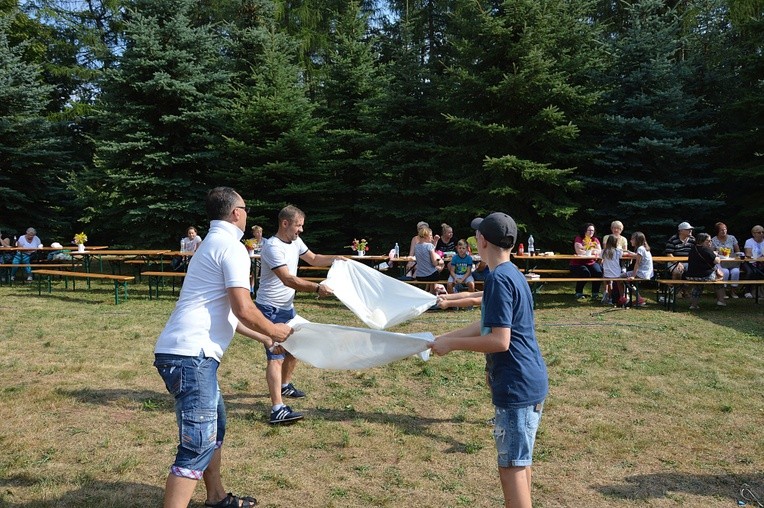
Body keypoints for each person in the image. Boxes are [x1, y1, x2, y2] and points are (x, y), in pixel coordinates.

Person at [153, 186, 292, 508]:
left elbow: (227, 313)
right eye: (245, 208)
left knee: (215, 431)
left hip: (189, 355)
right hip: (191, 357)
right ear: (236, 213)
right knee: (197, 445)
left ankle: (216, 498)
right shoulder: (231, 247)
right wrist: (275, 329)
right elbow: (244, 307)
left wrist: (265, 337)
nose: (246, 213)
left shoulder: (211, 244)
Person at [430, 212, 548, 508]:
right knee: (520, 464)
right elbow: (487, 325)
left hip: (516, 385)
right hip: (528, 381)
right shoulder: (512, 273)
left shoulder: (497, 278)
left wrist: (451, 345)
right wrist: (443, 338)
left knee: (511, 468)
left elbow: (499, 340)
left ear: (481, 241)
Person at [256, 205, 344, 424]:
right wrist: (317, 288)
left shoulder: (295, 241)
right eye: (298, 225)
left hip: (287, 308)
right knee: (276, 356)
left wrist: (338, 259)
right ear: (285, 223)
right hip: (269, 310)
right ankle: (277, 409)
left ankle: (285, 386)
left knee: (294, 348)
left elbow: (314, 259)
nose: (301, 230)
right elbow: (288, 279)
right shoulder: (271, 247)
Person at [685, 232, 726, 309]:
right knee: (720, 281)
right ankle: (721, 301)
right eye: (708, 241)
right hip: (704, 276)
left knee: (698, 285)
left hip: (690, 276)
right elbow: (717, 261)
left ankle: (693, 305)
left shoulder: (693, 249)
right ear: (701, 241)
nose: (710, 242)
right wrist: (717, 255)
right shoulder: (706, 250)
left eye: (710, 241)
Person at [569, 223, 603, 300]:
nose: (591, 232)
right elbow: (578, 252)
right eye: (589, 230)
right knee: (585, 273)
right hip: (578, 263)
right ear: (585, 231)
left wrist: (585, 249)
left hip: (591, 262)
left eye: (593, 230)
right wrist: (592, 250)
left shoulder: (595, 240)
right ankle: (579, 292)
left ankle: (595, 293)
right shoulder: (579, 238)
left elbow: (599, 251)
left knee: (598, 272)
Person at [618, 231, 653, 307]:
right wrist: (631, 253)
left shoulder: (640, 249)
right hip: (647, 273)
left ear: (637, 240)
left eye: (632, 239)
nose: (630, 241)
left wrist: (633, 276)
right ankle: (638, 298)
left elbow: (637, 263)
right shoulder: (645, 248)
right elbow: (638, 256)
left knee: (620, 277)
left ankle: (624, 298)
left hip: (641, 273)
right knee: (627, 281)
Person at [711, 222, 741, 298]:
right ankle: (723, 292)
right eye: (721, 230)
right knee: (725, 272)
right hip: (720, 262)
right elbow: (711, 253)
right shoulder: (713, 240)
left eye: (725, 229)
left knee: (736, 272)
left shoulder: (732, 238)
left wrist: (737, 257)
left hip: (732, 261)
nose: (724, 231)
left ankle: (733, 291)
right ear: (717, 231)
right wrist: (717, 252)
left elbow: (737, 251)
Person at [414, 226, 445, 293]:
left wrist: (435, 241)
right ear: (426, 236)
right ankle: (432, 291)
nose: (431, 237)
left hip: (419, 276)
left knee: (431, 269)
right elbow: (434, 263)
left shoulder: (416, 246)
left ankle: (431, 291)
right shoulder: (429, 246)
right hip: (430, 276)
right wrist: (440, 261)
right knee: (440, 266)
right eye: (430, 235)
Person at [741, 225, 764, 299]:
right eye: (759, 232)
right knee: (750, 272)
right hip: (749, 262)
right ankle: (747, 291)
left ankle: (759, 292)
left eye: (763, 232)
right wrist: (760, 257)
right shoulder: (749, 241)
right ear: (753, 234)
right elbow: (748, 254)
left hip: (761, 262)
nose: (761, 234)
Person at [600, 235, 622, 305]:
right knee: (618, 282)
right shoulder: (618, 251)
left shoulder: (603, 251)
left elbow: (600, 260)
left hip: (607, 272)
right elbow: (621, 257)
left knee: (608, 281)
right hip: (617, 273)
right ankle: (621, 296)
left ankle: (608, 296)